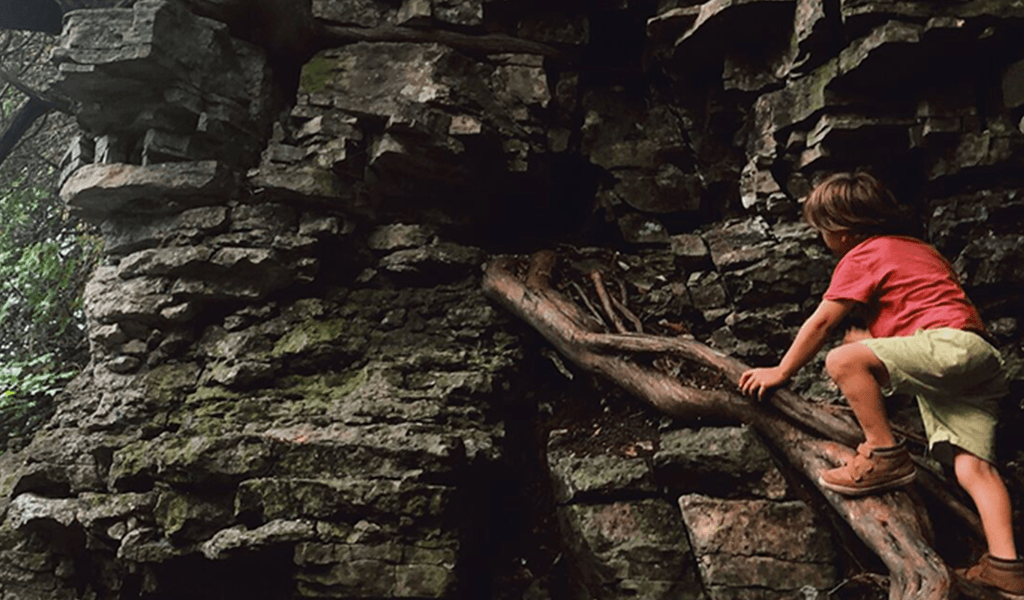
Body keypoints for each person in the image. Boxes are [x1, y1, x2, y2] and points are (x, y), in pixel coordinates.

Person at [737, 171, 1024, 594]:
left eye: (822, 231)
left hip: (946, 349)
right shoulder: (918, 250)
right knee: (974, 466)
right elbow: (922, 312)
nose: (822, 239)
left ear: (844, 233)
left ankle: (884, 453)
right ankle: (1007, 566)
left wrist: (780, 372)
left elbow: (822, 323)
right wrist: (870, 340)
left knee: (840, 359)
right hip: (976, 357)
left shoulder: (862, 255)